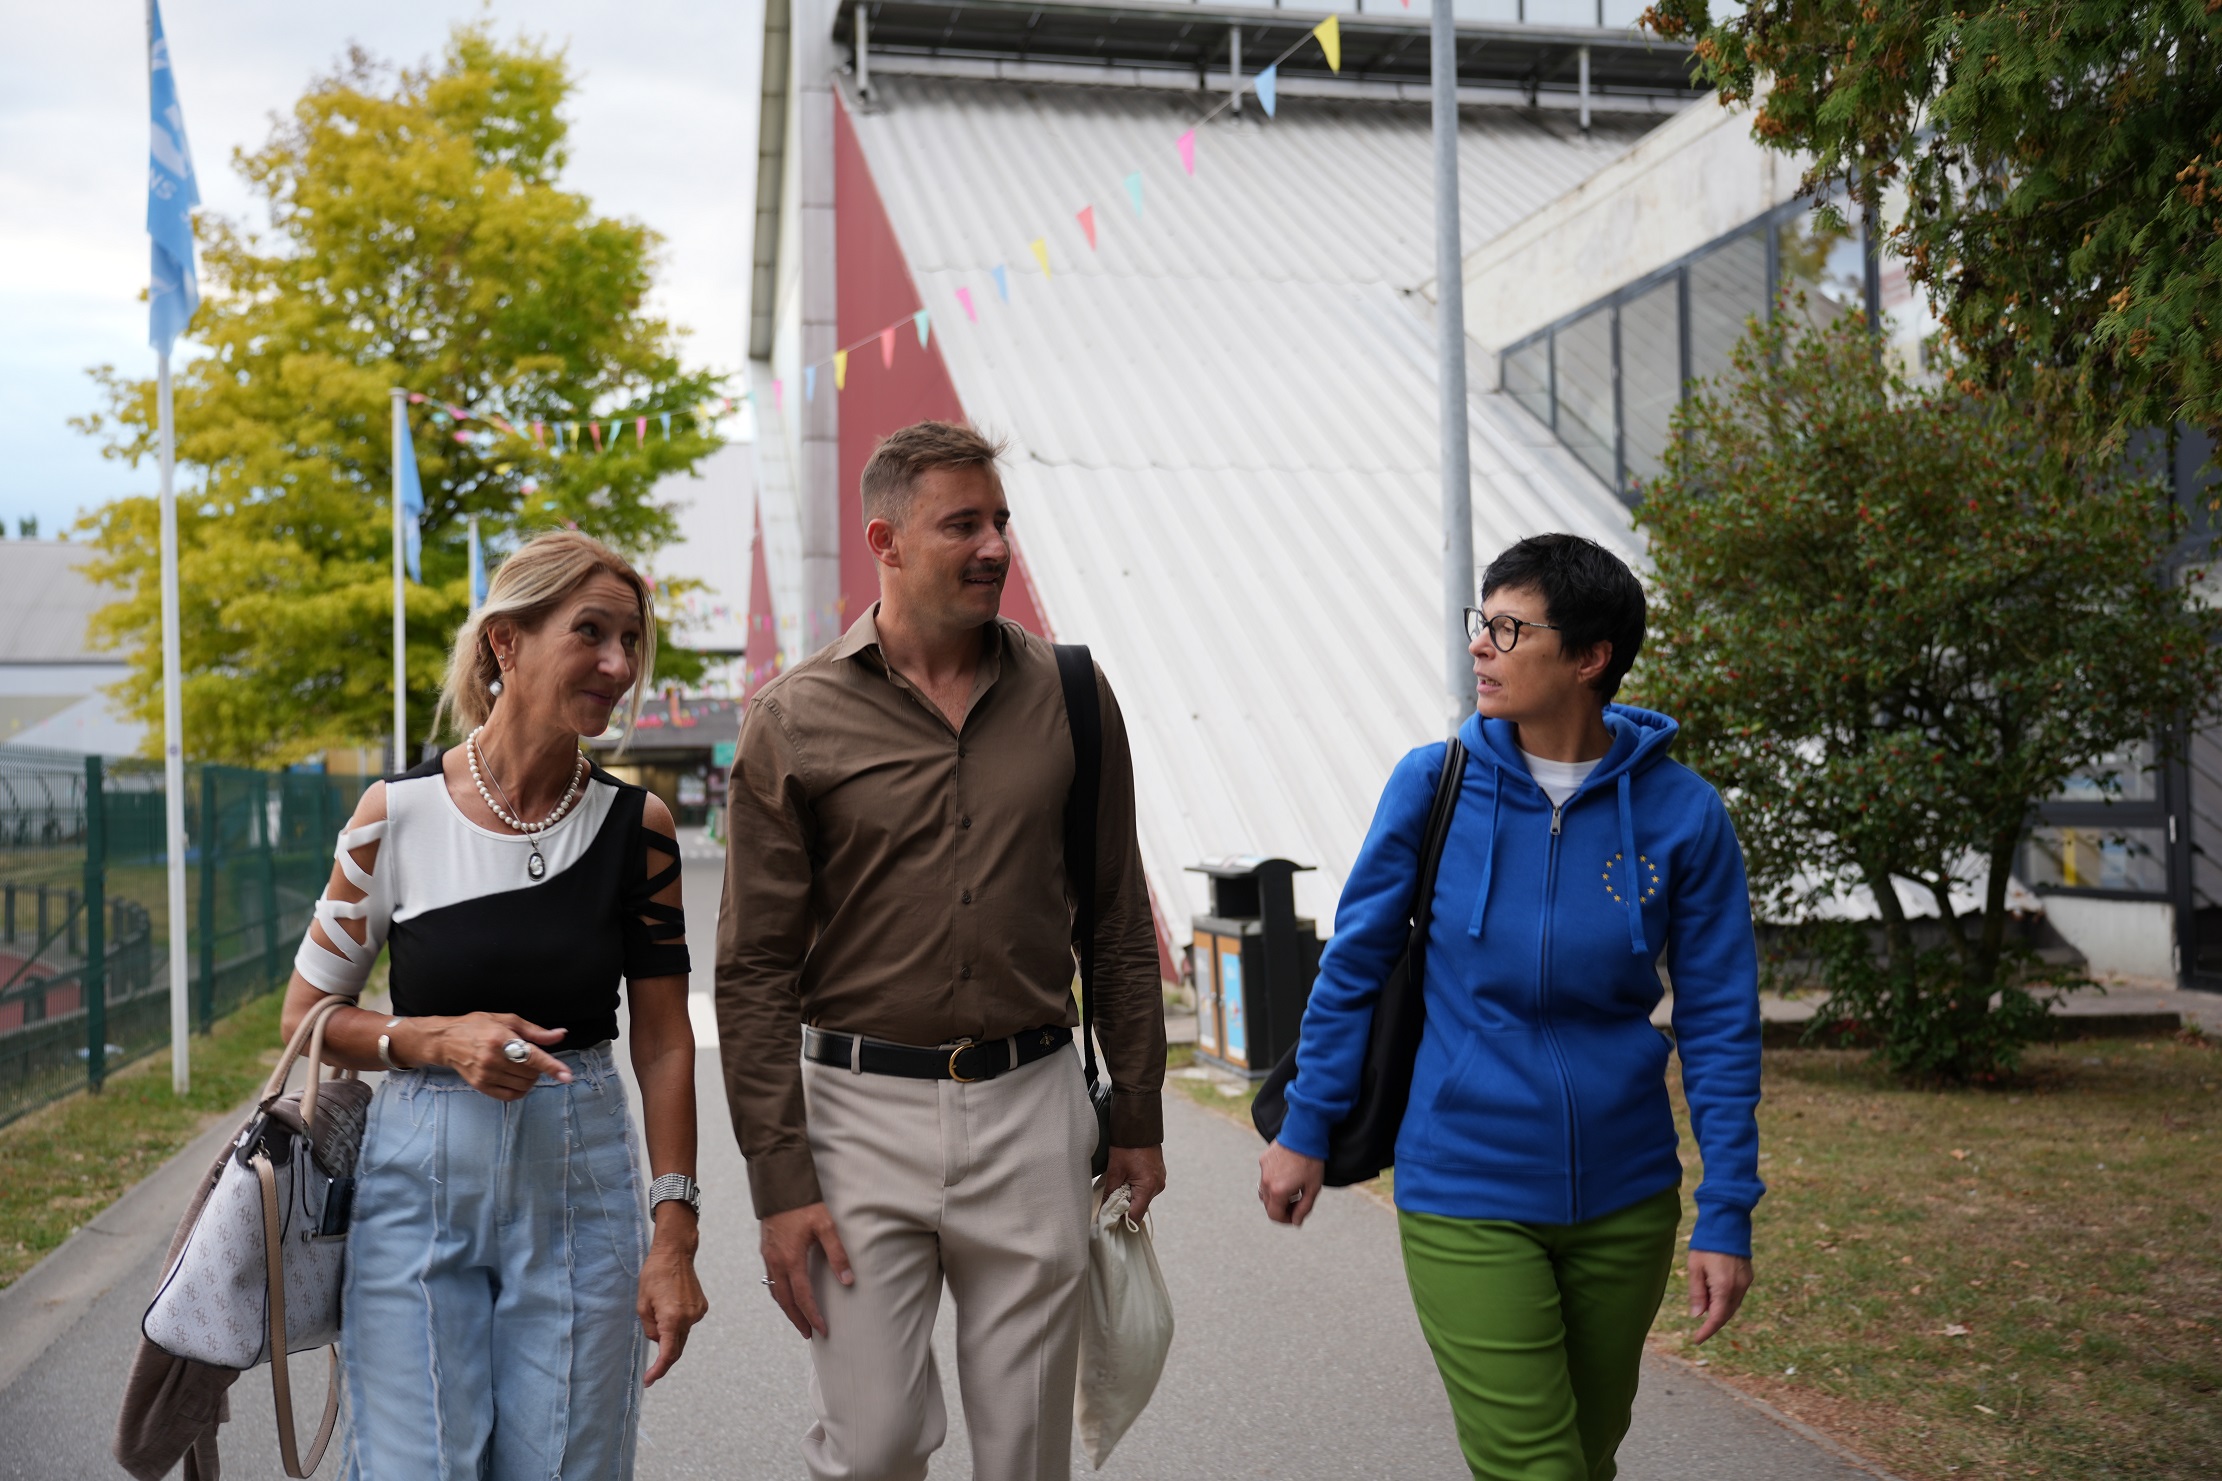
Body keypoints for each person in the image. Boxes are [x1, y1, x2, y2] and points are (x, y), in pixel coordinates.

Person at [1258, 533, 1762, 1481]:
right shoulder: (1434, 783)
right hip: (1467, 1183)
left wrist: (1726, 1209)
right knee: (1536, 1466)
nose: (1479, 647)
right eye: (1481, 623)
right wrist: (1306, 1126)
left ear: (1590, 657)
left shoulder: (1682, 813)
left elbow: (1721, 1021)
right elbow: (1355, 965)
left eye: (1509, 628)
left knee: (1588, 1455)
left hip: (1627, 1196)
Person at [717, 420, 1167, 1481]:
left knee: (1024, 1453)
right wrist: (779, 1179)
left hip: (1031, 1106)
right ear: (885, 539)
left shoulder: (1072, 693)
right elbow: (752, 971)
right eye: (962, 524)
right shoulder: (792, 718)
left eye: (1000, 520)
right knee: (872, 1444)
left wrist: (1137, 1114)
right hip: (855, 1115)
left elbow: (1114, 919)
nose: (995, 546)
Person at [280, 529, 708, 1478]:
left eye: (630, 641)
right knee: (413, 1466)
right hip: (415, 1191)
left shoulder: (637, 827)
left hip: (583, 1184)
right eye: (590, 632)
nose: (618, 664)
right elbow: (306, 1018)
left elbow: (665, 1043)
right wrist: (435, 1040)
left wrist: (675, 1228)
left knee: (568, 1464)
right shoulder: (394, 814)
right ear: (506, 642)